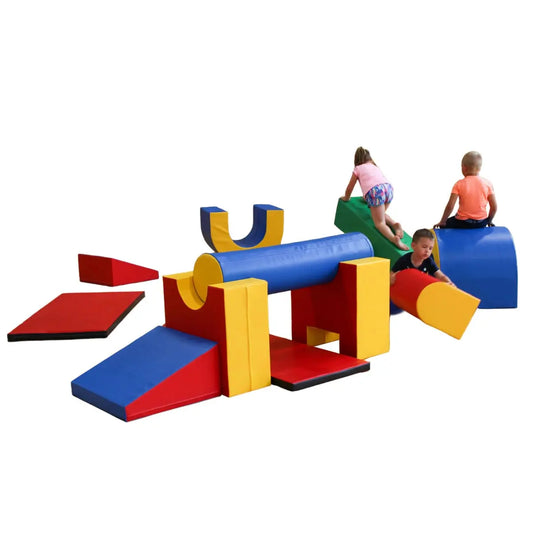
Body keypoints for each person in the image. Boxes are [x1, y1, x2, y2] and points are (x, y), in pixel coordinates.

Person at [341, 146, 409, 250]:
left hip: (375, 192)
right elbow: (375, 181)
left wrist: (346, 197)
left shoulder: (358, 169)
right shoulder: (374, 166)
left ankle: (393, 239)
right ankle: (395, 224)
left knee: (379, 223)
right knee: (381, 214)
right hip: (388, 189)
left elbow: (350, 188)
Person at [435, 151, 497, 229]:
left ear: (463, 167)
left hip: (463, 222)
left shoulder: (459, 184)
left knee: (446, 224)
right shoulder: (488, 184)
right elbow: (494, 207)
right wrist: (489, 221)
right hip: (481, 222)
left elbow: (450, 206)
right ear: (480, 168)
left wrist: (443, 221)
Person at [390, 228, 454, 286]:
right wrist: (392, 278)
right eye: (424, 247)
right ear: (413, 245)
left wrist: (449, 282)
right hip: (407, 287)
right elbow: (390, 275)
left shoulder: (428, 260)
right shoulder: (404, 260)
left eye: (430, 248)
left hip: (421, 287)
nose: (427, 251)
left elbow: (440, 275)